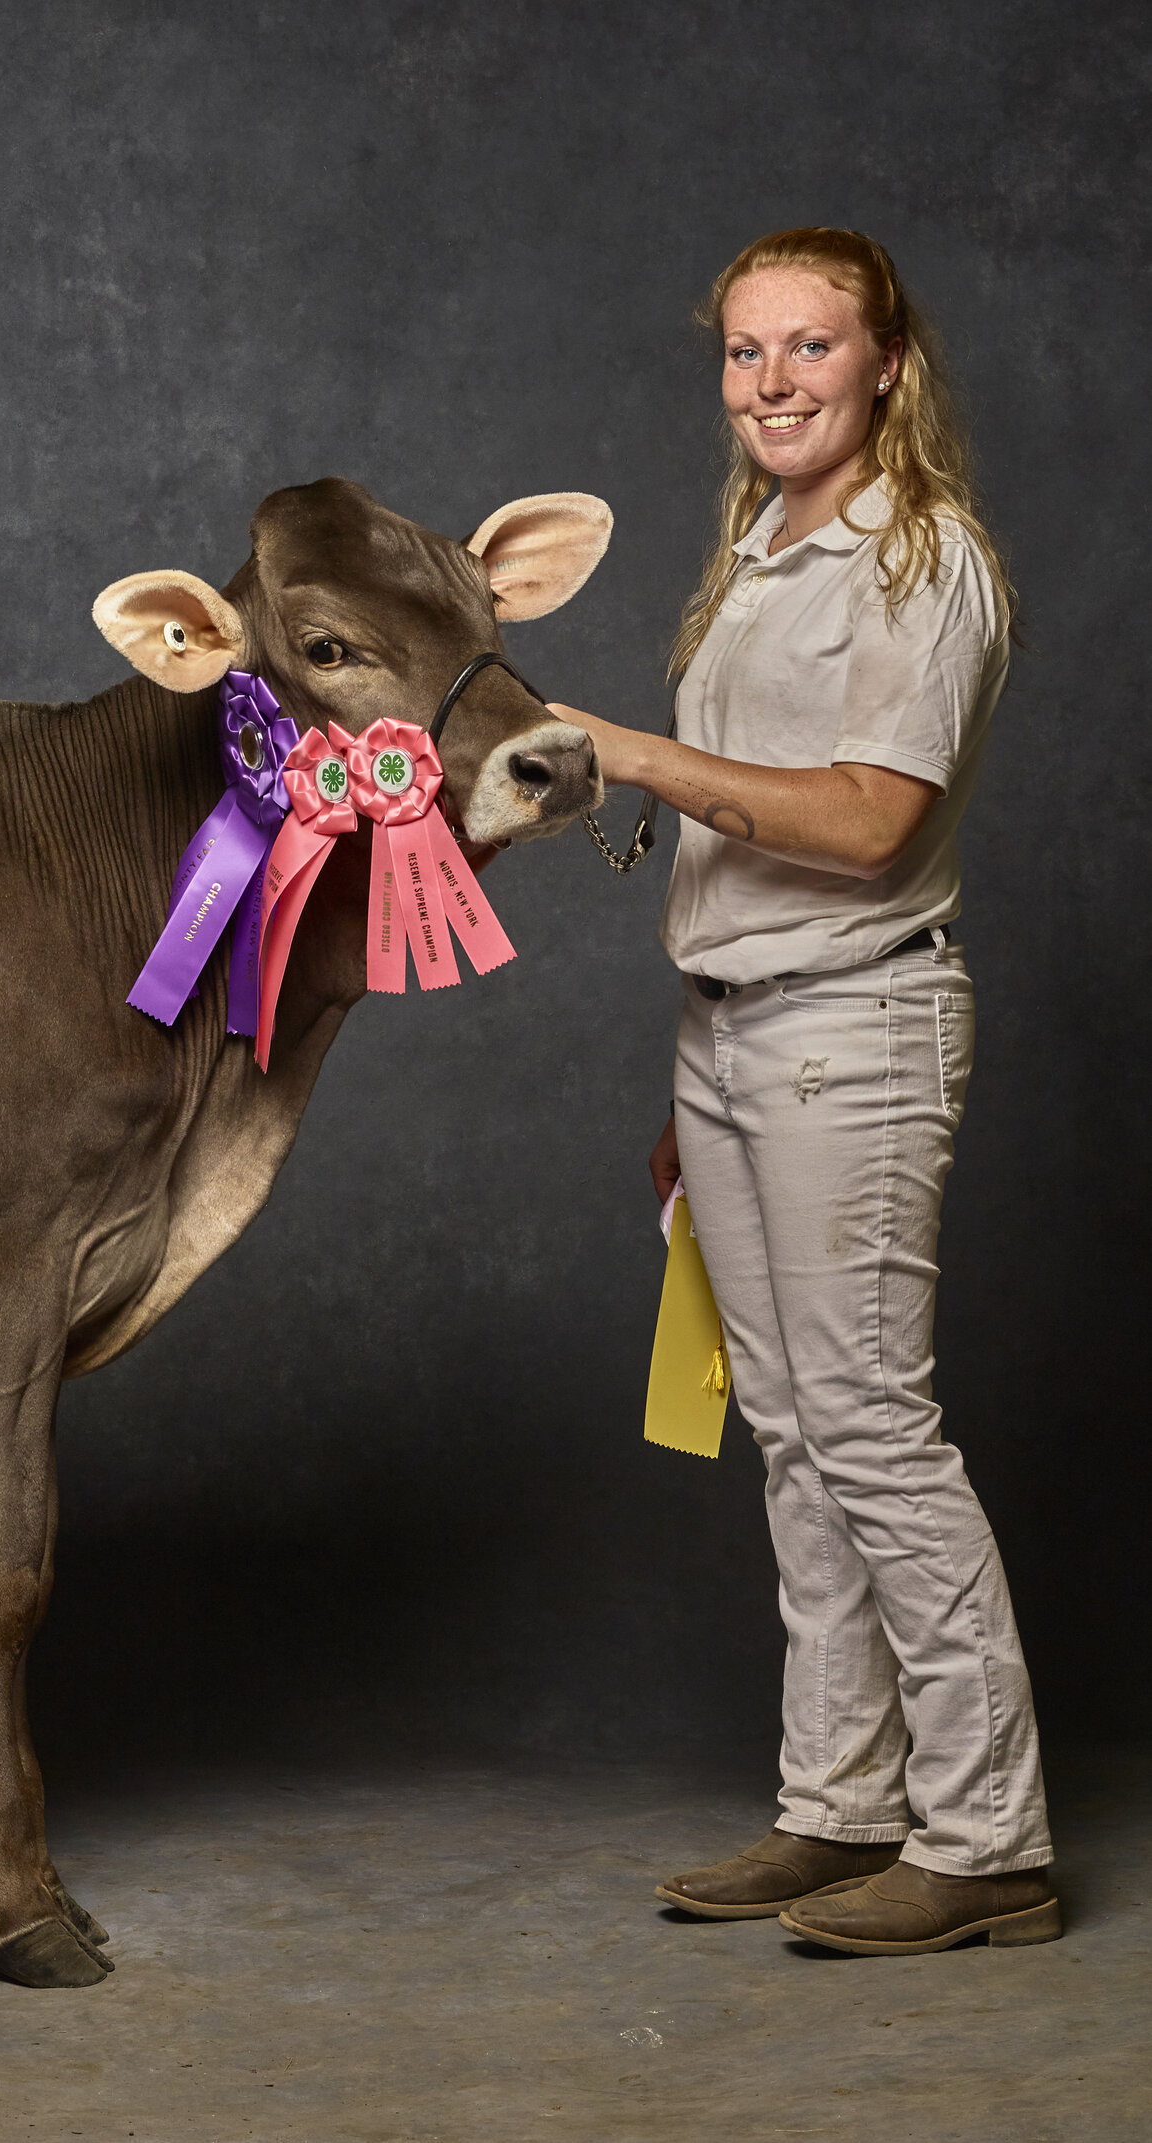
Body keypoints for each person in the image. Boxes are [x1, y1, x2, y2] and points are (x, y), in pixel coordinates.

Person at [553, 228, 1059, 1955]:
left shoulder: (925, 560)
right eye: (745, 351)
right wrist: (690, 1077)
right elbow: (742, 848)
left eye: (811, 348)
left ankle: (987, 1836)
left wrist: (624, 747)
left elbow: (863, 823)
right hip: (741, 1034)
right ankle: (842, 1809)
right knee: (788, 1433)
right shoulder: (762, 544)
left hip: (855, 1028)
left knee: (868, 1427)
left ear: (887, 365)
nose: (772, 383)